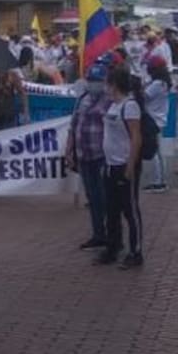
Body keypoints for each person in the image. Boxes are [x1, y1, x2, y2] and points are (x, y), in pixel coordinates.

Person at [96, 66, 144, 268]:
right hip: (110, 164)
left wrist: (130, 167)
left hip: (125, 164)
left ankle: (136, 252)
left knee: (130, 211)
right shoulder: (112, 105)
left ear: (114, 85)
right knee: (112, 209)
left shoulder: (129, 105)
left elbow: (136, 138)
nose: (105, 87)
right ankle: (113, 246)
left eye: (107, 83)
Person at [66, 62, 113, 252]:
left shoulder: (111, 100)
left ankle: (111, 234)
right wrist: (69, 148)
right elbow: (74, 124)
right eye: (91, 80)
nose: (94, 84)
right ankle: (98, 234)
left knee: (104, 197)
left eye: (97, 81)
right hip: (84, 155)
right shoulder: (83, 98)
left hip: (102, 156)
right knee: (92, 198)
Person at [142, 56, 170, 194]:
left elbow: (143, 96)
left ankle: (158, 182)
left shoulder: (158, 84)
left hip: (154, 120)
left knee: (154, 153)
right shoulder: (162, 83)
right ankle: (160, 181)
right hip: (157, 119)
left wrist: (138, 87)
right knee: (158, 152)